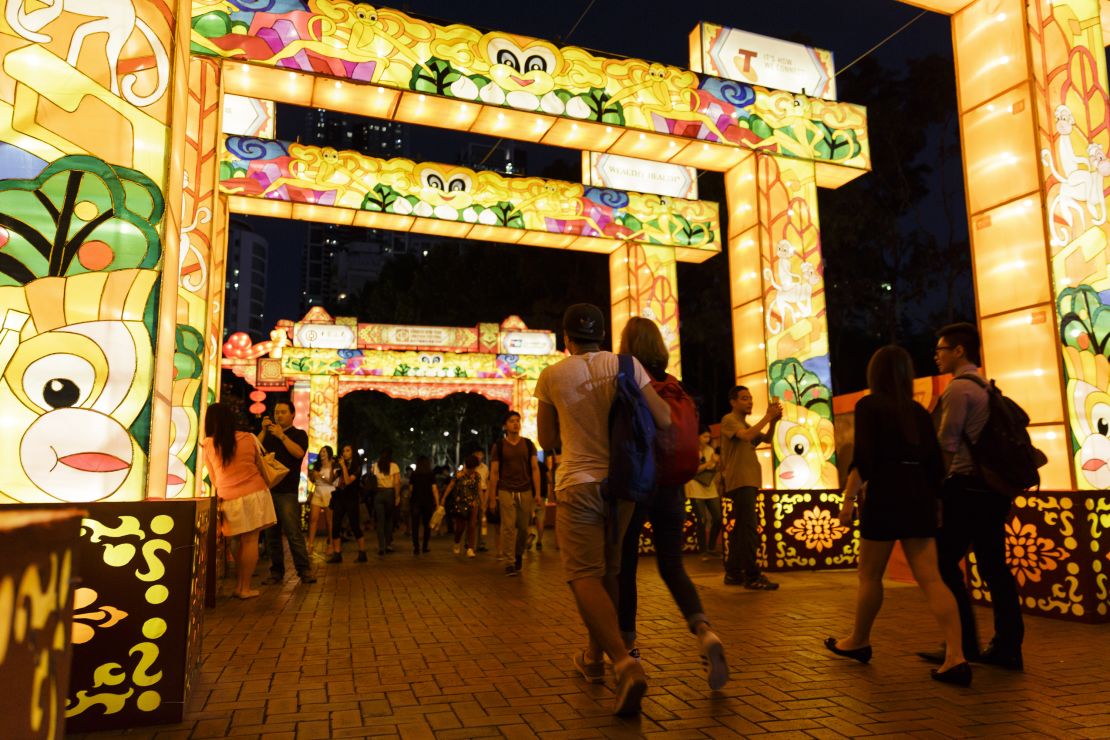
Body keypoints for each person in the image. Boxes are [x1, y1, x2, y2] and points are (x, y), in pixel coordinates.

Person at [535, 303, 671, 716]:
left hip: (578, 484)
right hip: (623, 485)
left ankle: (625, 662)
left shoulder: (552, 374)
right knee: (610, 569)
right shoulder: (627, 365)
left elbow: (546, 440)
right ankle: (595, 658)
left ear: (567, 338)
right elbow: (663, 418)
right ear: (602, 336)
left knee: (582, 576)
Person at [825, 346, 970, 686]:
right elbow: (936, 462)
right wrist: (933, 499)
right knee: (932, 578)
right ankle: (957, 656)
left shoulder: (869, 405)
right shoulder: (917, 411)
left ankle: (859, 640)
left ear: (874, 374)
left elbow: (865, 458)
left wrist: (847, 502)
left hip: (886, 494)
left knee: (870, 575)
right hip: (919, 494)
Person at [615, 317, 729, 691]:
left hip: (638, 484)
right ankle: (704, 630)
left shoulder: (631, 378)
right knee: (672, 565)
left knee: (625, 566)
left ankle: (629, 651)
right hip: (673, 488)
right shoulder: (675, 384)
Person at [920, 322, 1024, 670]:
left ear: (958, 351)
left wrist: (935, 489)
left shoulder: (958, 390)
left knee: (943, 562)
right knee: (995, 566)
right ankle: (1008, 646)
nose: (936, 355)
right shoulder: (985, 387)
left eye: (941, 349)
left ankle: (961, 645)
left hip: (964, 488)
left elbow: (947, 446)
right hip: (992, 492)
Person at [202, 402, 277, 599]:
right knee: (250, 540)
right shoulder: (248, 438)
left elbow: (213, 479)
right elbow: (260, 465)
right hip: (255, 494)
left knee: (236, 539)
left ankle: (238, 584)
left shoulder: (208, 444)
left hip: (228, 497)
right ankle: (244, 587)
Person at [719, 386, 782, 589]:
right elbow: (746, 436)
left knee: (741, 529)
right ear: (733, 402)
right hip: (741, 481)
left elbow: (766, 439)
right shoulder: (729, 420)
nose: (749, 402)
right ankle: (752, 576)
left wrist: (773, 422)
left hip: (748, 481)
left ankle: (733, 573)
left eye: (751, 398)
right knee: (748, 529)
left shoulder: (744, 423)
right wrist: (767, 416)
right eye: (744, 398)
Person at [257, 400, 316, 585]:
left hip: (288, 492)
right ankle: (276, 572)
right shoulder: (268, 434)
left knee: (293, 532)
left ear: (292, 415)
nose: (279, 415)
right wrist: (264, 431)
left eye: (283, 412)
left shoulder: (298, 434)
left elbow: (298, 453)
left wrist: (282, 436)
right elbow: (254, 451)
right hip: (268, 490)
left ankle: (304, 570)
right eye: (276, 412)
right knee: (271, 535)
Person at [489, 410, 542, 576]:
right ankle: (510, 561)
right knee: (508, 527)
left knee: (524, 528)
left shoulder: (528, 444)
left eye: (518, 421)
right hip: (505, 489)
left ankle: (518, 553)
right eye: (512, 421)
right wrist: (492, 497)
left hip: (525, 490)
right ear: (505, 425)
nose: (515, 424)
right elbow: (494, 473)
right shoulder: (499, 446)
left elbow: (535, 469)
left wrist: (538, 493)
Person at [326, 444, 367, 563]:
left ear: (353, 453)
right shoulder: (339, 466)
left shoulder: (357, 467)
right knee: (336, 525)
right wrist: (332, 466)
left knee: (354, 526)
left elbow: (348, 481)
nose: (345, 453)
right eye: (343, 451)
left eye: (348, 450)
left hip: (351, 498)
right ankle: (337, 554)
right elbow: (330, 481)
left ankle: (362, 552)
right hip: (339, 497)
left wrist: (343, 466)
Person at [686, 427, 723, 558]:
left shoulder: (710, 450)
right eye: (704, 436)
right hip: (695, 488)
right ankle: (703, 550)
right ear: (697, 437)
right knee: (701, 520)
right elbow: (693, 470)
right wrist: (710, 462)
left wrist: (717, 464)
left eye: (709, 437)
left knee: (718, 518)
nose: (707, 439)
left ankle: (712, 547)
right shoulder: (690, 450)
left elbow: (713, 469)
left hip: (709, 487)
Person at [443, 455, 482, 557]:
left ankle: (470, 548)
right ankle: (457, 542)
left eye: (474, 468)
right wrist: (444, 497)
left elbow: (479, 490)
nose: (472, 470)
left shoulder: (477, 476)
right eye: (471, 468)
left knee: (472, 526)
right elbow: (451, 486)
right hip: (460, 504)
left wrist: (481, 502)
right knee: (460, 527)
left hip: (473, 504)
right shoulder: (458, 475)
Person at [307, 445, 337, 556]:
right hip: (318, 491)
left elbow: (332, 481)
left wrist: (320, 476)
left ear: (329, 453)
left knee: (329, 521)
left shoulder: (333, 466)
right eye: (321, 452)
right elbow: (313, 480)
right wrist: (312, 475)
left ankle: (330, 544)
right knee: (313, 519)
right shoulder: (317, 465)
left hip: (329, 492)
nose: (321, 454)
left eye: (324, 452)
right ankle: (310, 544)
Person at [371, 448, 401, 555]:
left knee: (380, 521)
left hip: (378, 494)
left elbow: (372, 479)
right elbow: (397, 483)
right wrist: (397, 496)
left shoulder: (375, 466)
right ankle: (388, 544)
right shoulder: (394, 466)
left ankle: (381, 546)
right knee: (389, 520)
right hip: (389, 493)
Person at [409, 455, 440, 554]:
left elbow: (410, 489)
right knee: (427, 525)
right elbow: (434, 489)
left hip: (415, 502)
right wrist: (437, 503)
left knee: (415, 526)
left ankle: (416, 547)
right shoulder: (431, 474)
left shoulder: (414, 474)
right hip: (428, 502)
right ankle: (425, 546)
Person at [474, 448, 492, 554]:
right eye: (477, 454)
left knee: (483, 521)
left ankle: (481, 543)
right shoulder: (471, 467)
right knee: (471, 521)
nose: (479, 456)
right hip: (474, 494)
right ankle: (469, 543)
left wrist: (486, 499)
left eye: (481, 454)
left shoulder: (485, 468)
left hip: (484, 493)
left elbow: (487, 482)